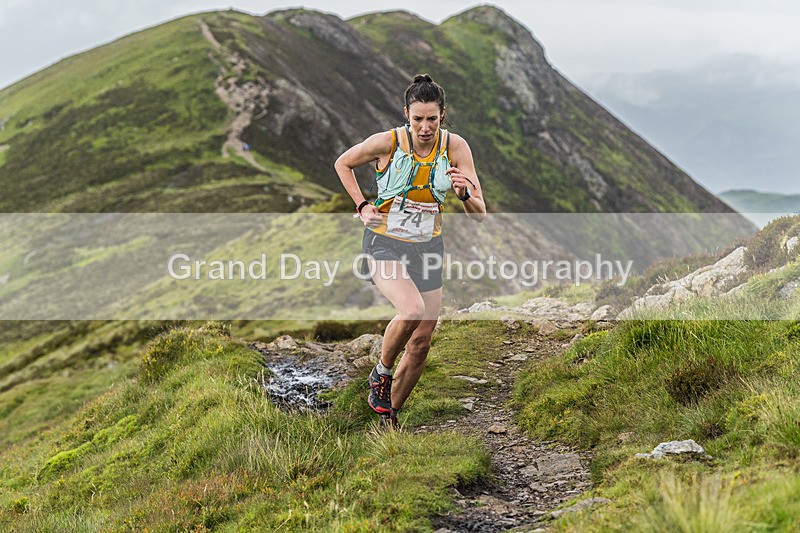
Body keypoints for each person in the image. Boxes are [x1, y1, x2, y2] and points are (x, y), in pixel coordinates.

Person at [334, 74, 486, 427]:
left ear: (442, 114)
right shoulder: (386, 143)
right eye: (418, 119)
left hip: (427, 248)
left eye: (432, 119)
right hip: (384, 243)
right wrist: (362, 206)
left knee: (420, 343)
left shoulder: (456, 147)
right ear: (406, 114)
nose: (425, 127)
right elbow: (343, 163)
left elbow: (479, 213)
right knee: (412, 309)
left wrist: (464, 194)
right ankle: (381, 372)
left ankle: (389, 416)